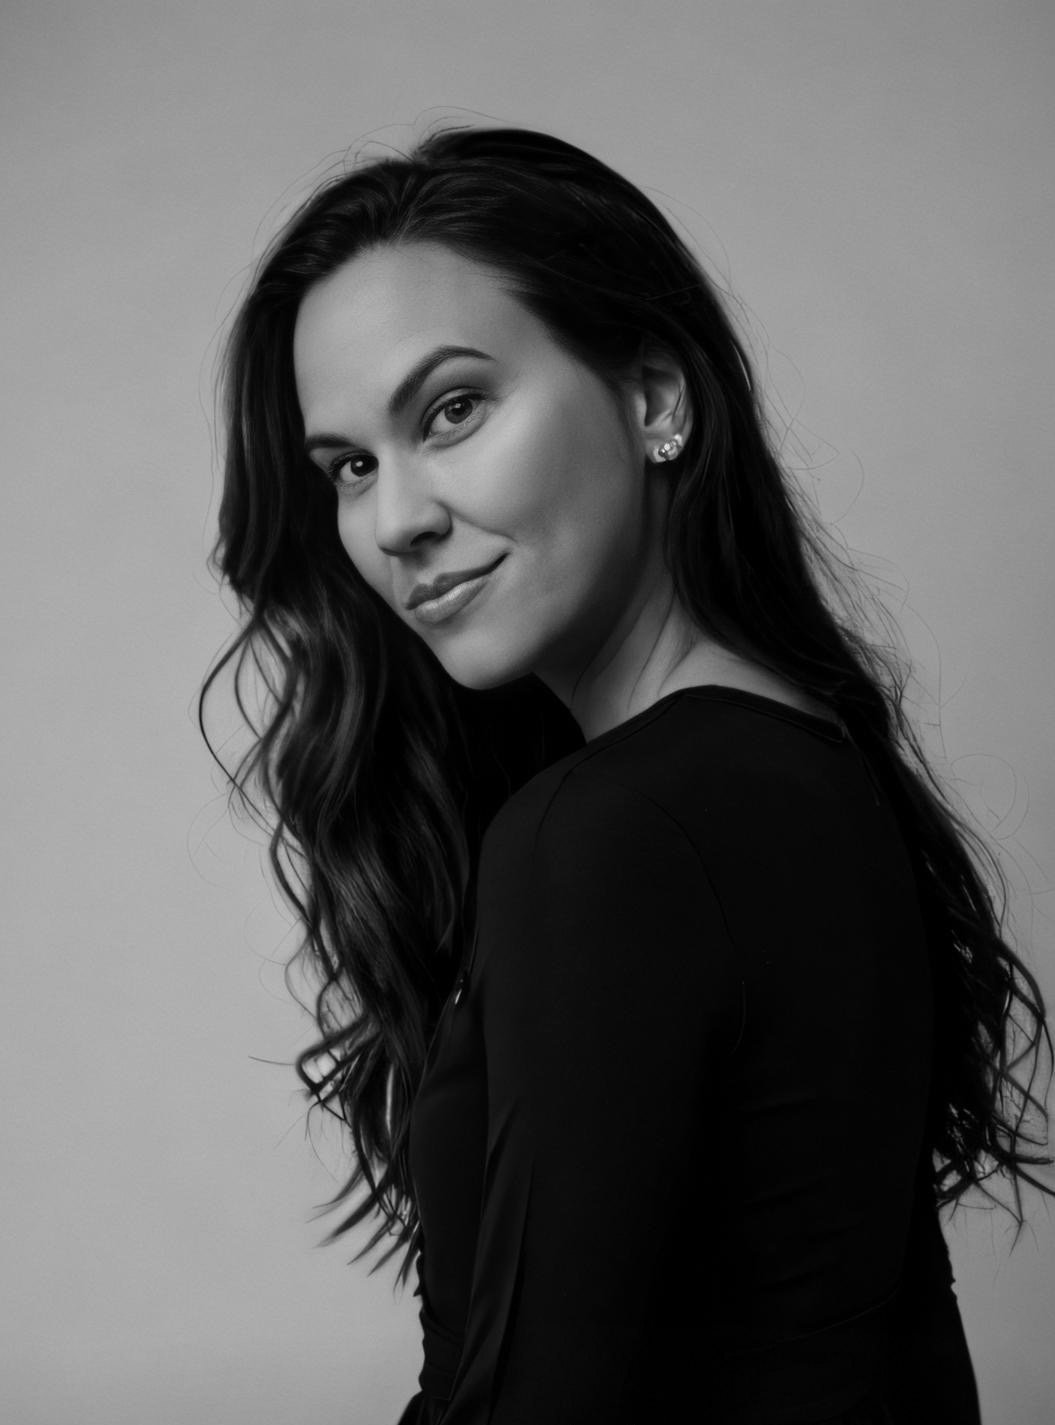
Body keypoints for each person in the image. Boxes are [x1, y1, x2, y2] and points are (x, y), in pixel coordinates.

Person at [199, 123, 1054, 1423]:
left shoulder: (617, 829)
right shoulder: (806, 767)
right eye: (351, 466)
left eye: (453, 409)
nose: (396, 519)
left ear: (656, 399)